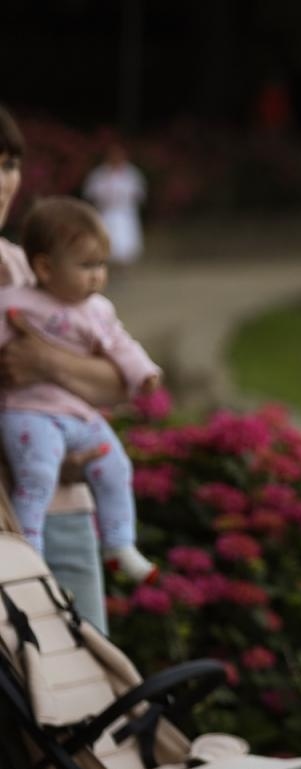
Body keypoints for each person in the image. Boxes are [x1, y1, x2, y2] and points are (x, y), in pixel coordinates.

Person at [0, 106, 124, 632]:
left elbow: (120, 378)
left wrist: (45, 361)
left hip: (63, 511)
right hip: (11, 519)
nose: (4, 181)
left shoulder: (31, 266)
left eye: (10, 163)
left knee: (87, 690)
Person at [0, 197, 160, 582]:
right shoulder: (17, 302)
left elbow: (120, 347)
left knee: (116, 465)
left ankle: (120, 543)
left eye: (102, 265)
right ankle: (31, 547)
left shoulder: (98, 310)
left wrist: (143, 372)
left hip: (78, 417)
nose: (97, 277)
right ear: (45, 268)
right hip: (31, 414)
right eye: (87, 266)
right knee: (37, 471)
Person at [82, 143, 146, 266]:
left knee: (125, 242)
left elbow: (139, 193)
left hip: (125, 213)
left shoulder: (131, 173)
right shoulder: (99, 174)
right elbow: (91, 192)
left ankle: (124, 266)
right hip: (107, 212)